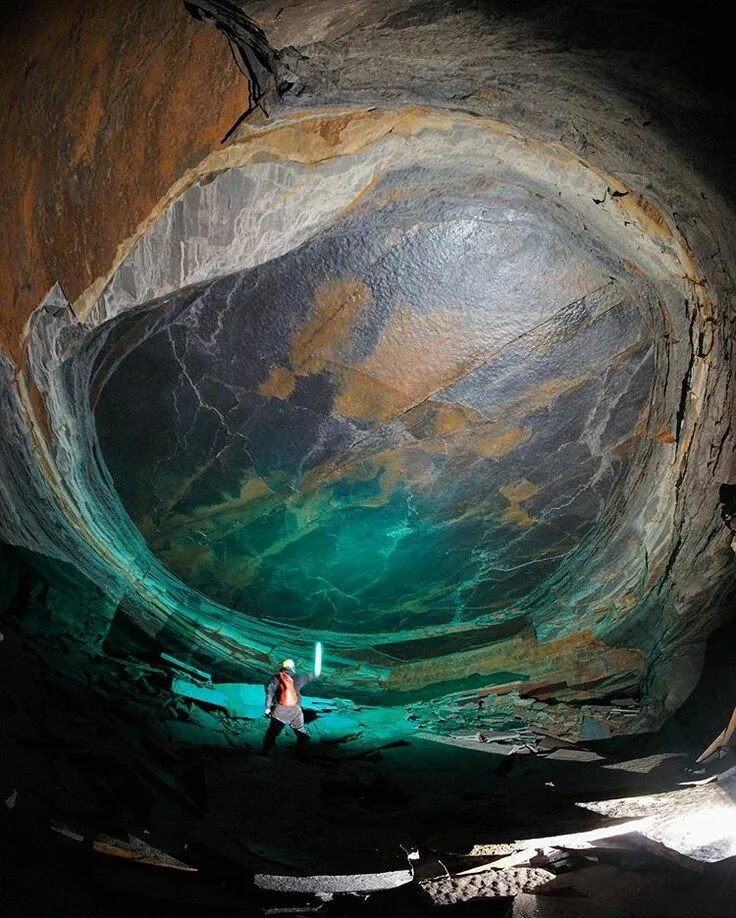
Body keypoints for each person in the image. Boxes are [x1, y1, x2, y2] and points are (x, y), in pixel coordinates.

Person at [261, 658, 316, 757]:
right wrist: (316, 671)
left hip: (280, 710)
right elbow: (312, 675)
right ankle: (301, 754)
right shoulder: (299, 678)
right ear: (293, 667)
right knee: (301, 731)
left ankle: (265, 753)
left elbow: (270, 693)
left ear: (282, 667)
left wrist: (268, 707)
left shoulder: (276, 678)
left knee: (272, 733)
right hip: (295, 710)